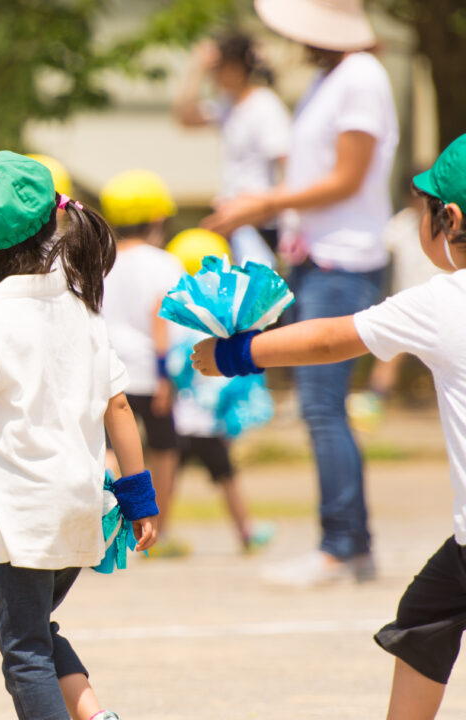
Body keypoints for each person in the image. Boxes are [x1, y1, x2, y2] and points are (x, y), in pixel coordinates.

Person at [192, 133, 466, 720]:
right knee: (424, 614)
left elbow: (329, 337)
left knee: (426, 616)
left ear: (451, 219)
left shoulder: (444, 301)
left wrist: (237, 355)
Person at [0, 151, 157, 720]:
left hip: (23, 517)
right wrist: (138, 495)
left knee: (22, 655)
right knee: (37, 631)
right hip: (84, 504)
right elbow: (118, 404)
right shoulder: (82, 307)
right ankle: (96, 715)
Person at [204, 0, 398, 587]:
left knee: (320, 404)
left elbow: (348, 177)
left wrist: (263, 204)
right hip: (318, 257)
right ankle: (351, 543)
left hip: (346, 260)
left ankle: (340, 544)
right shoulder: (331, 78)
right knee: (322, 405)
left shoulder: (361, 77)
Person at [165, 228, 276, 553]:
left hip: (181, 416)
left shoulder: (176, 314)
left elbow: (173, 368)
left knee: (167, 479)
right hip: (204, 420)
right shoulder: (223, 314)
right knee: (226, 477)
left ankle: (155, 534)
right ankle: (246, 532)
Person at [99, 169, 187, 556]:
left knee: (105, 448)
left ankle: (103, 525)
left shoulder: (99, 258)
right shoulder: (164, 262)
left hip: (103, 370)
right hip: (151, 371)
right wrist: (167, 375)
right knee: (163, 449)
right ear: (156, 218)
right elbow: (161, 319)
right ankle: (157, 532)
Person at [173, 33, 291, 267]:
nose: (214, 76)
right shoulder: (228, 104)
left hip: (256, 219)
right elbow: (185, 118)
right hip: (234, 216)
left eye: (219, 68)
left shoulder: (265, 105)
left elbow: (289, 165)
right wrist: (197, 69)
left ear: (236, 68)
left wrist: (268, 206)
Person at [349, 176, 440, 429]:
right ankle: (374, 402)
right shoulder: (400, 225)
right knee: (390, 354)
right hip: (407, 301)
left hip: (442, 302)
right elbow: (378, 245)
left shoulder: (446, 224)